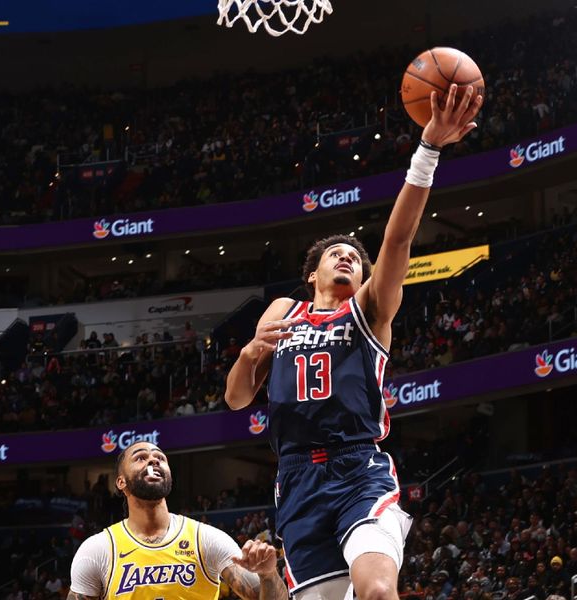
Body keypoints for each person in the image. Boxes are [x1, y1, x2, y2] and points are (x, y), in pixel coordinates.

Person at [225, 85, 482, 600]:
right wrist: (251, 351)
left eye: (353, 257)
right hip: (296, 481)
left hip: (357, 469)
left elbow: (398, 240)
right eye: (334, 254)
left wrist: (427, 149)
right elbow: (235, 398)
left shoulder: (367, 311)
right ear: (311, 271)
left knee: (379, 593)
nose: (346, 258)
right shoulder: (283, 311)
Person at [68, 441, 287, 600]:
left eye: (160, 458)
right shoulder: (97, 549)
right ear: (121, 482)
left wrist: (268, 574)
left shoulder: (206, 539)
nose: (153, 459)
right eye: (140, 457)